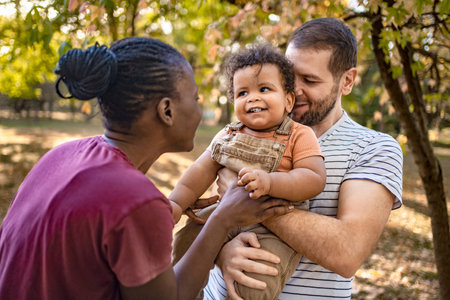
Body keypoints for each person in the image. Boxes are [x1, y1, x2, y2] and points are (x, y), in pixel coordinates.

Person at [0, 37, 294, 300]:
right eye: (194, 98)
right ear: (167, 111)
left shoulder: (62, 155)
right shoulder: (135, 200)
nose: (198, 108)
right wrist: (224, 219)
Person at [203, 17, 403, 300]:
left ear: (347, 81)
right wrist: (221, 254)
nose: (293, 90)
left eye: (309, 80)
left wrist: (247, 196)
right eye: (289, 74)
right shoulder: (246, 127)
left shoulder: (373, 148)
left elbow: (346, 252)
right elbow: (209, 218)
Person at [169, 44, 326, 299]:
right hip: (223, 213)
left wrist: (271, 182)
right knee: (184, 245)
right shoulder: (228, 134)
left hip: (273, 229)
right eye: (243, 92)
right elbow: (200, 170)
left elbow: (314, 178)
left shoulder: (299, 135)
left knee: (254, 283)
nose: (253, 97)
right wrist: (176, 203)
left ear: (288, 100)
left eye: (264, 89)